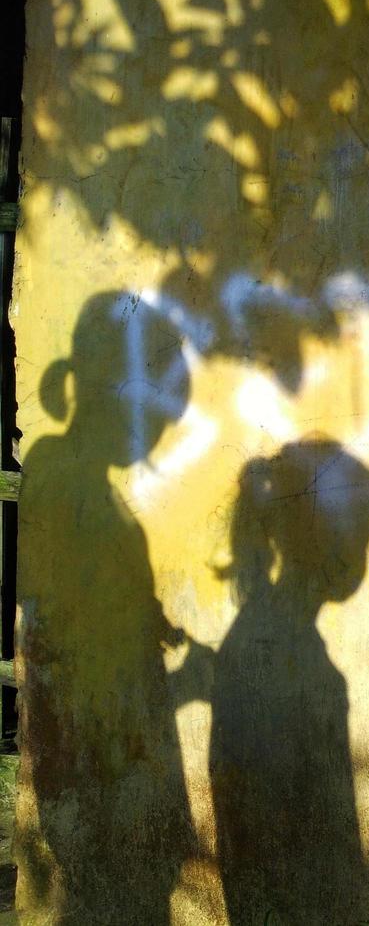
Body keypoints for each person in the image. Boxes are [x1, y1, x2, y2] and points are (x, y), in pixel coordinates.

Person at [19, 292, 200, 923]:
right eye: (155, 413)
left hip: (116, 790)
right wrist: (80, 802)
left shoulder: (92, 494)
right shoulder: (61, 483)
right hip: (98, 794)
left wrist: (148, 625)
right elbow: (53, 649)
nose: (160, 430)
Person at [209, 440, 369, 926]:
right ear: (321, 533)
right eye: (362, 532)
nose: (365, 550)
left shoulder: (276, 639)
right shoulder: (276, 651)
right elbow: (266, 843)